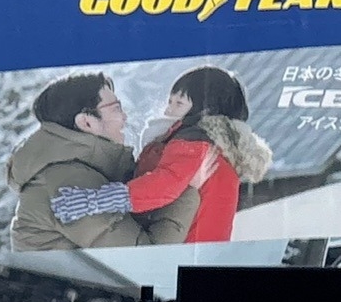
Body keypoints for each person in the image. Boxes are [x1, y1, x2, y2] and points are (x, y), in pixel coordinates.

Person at [49, 65, 273, 245]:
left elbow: (161, 187)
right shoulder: (215, 147)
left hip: (181, 252)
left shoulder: (194, 143)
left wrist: (96, 201)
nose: (168, 110)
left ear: (206, 110)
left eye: (178, 103)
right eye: (169, 101)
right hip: (199, 253)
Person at [7, 72, 147, 250]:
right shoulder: (70, 182)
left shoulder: (69, 169)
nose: (124, 116)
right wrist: (179, 176)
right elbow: (145, 256)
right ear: (86, 122)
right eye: (116, 108)